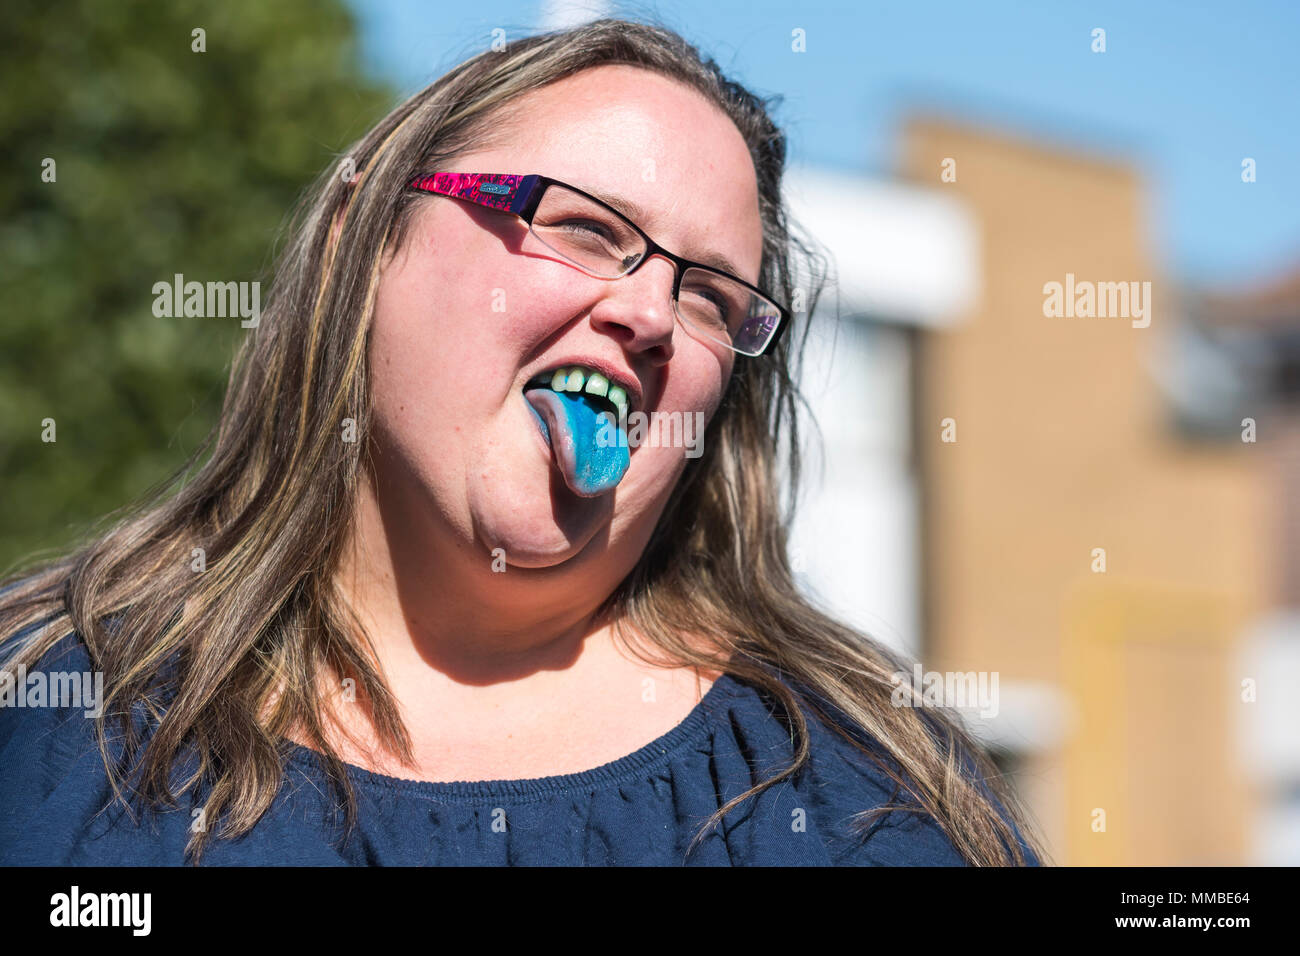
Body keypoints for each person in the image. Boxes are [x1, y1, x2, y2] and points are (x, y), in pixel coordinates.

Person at [0, 18, 1043, 866]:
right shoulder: (42, 710)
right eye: (586, 228)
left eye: (712, 296)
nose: (648, 315)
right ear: (359, 245)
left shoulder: (870, 799)